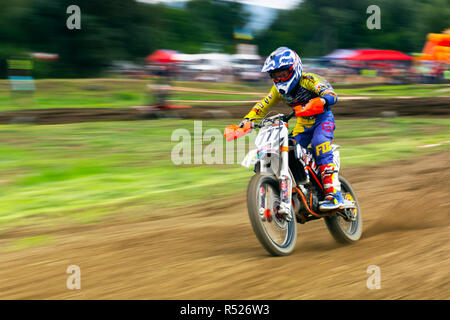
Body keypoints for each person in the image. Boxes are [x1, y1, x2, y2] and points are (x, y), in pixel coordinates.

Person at [240, 47, 343, 211]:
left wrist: (321, 101)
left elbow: (331, 94)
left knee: (319, 142)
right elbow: (262, 105)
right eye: (275, 75)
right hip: (303, 124)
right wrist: (246, 121)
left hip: (322, 119)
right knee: (288, 146)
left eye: (283, 74)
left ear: (295, 68)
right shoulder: (277, 91)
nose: (279, 79)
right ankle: (296, 186)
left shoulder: (308, 80)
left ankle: (334, 193)